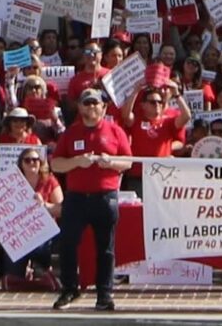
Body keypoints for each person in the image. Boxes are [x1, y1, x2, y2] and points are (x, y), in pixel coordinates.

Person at [50, 89, 132, 312]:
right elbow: (56, 164)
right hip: (76, 198)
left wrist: (111, 163)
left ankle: (104, 294)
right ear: (80, 107)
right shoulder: (71, 133)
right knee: (68, 244)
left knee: (105, 248)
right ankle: (69, 289)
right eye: (86, 103)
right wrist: (77, 161)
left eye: (95, 103)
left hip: (104, 197)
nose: (91, 107)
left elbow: (128, 162)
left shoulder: (115, 131)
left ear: (103, 107)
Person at [3, 147, 62, 288]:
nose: (32, 163)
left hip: (44, 233)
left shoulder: (49, 181)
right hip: (19, 235)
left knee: (38, 246)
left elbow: (61, 209)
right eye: (27, 160)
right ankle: (29, 275)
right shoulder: (13, 183)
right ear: (21, 164)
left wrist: (44, 205)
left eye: (35, 160)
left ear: (41, 162)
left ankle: (41, 271)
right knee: (14, 275)